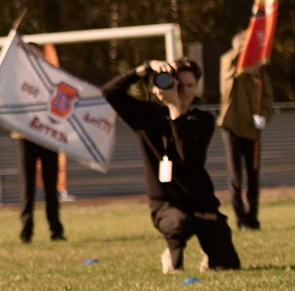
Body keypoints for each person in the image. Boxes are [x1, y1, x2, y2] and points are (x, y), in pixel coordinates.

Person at [102, 60, 240, 271]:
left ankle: (210, 252)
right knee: (178, 223)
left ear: (196, 89)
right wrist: (145, 68)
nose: (183, 91)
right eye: (178, 84)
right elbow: (109, 92)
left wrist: (175, 108)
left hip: (201, 201)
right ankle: (173, 252)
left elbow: (186, 156)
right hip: (167, 204)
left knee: (227, 265)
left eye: (190, 85)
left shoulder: (203, 120)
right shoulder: (148, 116)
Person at [216, 29, 271, 230]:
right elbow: (229, 66)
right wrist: (242, 46)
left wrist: (264, 115)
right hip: (231, 127)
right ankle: (240, 219)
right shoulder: (228, 63)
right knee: (235, 177)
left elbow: (267, 97)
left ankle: (252, 218)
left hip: (252, 130)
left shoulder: (259, 70)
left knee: (253, 176)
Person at [17, 137, 64, 244]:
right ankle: (26, 233)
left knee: (51, 188)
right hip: (26, 138)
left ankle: (56, 231)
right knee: (27, 189)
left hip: (49, 138)